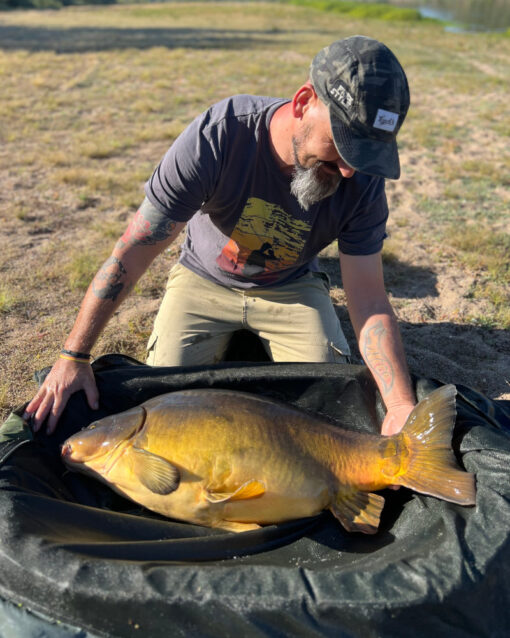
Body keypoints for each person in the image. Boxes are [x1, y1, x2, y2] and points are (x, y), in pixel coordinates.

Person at [25, 35, 416, 436]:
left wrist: (401, 404)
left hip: (291, 286)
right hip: (203, 279)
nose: (351, 170)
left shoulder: (363, 180)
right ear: (303, 103)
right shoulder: (220, 136)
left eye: (364, 154)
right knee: (165, 404)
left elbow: (368, 297)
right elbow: (135, 249)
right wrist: (74, 355)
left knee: (328, 399)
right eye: (341, 146)